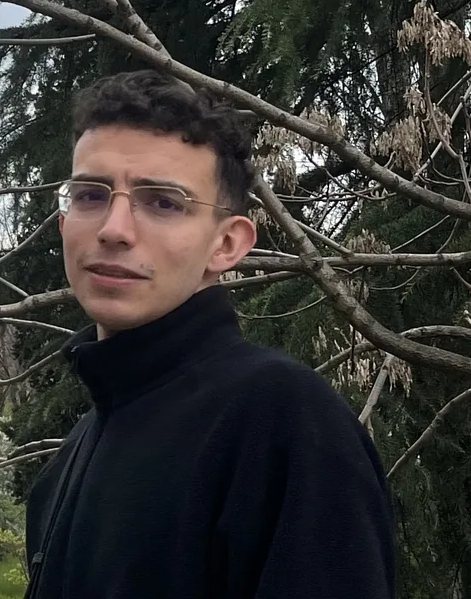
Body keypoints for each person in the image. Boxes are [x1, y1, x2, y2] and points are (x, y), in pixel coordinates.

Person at [24, 69, 396, 599]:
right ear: (63, 223)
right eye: (90, 195)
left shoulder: (282, 425)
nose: (113, 229)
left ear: (226, 245)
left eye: (163, 202)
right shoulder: (70, 459)